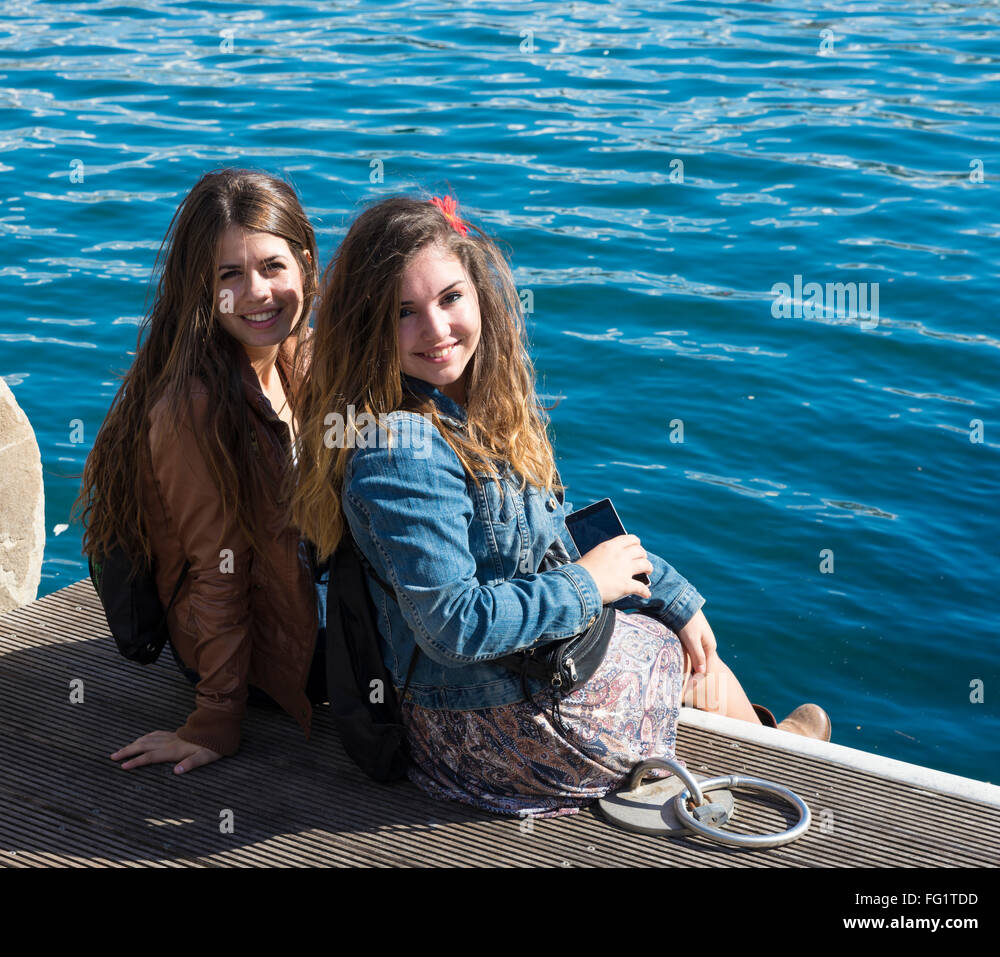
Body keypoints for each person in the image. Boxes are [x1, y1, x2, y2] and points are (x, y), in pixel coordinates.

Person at [290, 193, 829, 817]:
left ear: (479, 296)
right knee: (666, 649)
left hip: (495, 693)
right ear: (368, 324)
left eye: (449, 299)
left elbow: (544, 539)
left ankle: (759, 736)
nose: (436, 330)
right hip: (483, 730)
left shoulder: (475, 410)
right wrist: (588, 585)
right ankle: (772, 748)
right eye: (404, 312)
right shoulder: (401, 450)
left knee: (669, 626)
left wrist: (670, 593)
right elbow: (454, 625)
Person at [75, 168, 325, 776]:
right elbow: (220, 568)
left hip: (298, 605)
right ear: (200, 288)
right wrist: (215, 719)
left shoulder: (304, 354)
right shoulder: (195, 407)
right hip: (255, 656)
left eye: (272, 266)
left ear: (306, 264)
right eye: (228, 275)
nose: (257, 293)